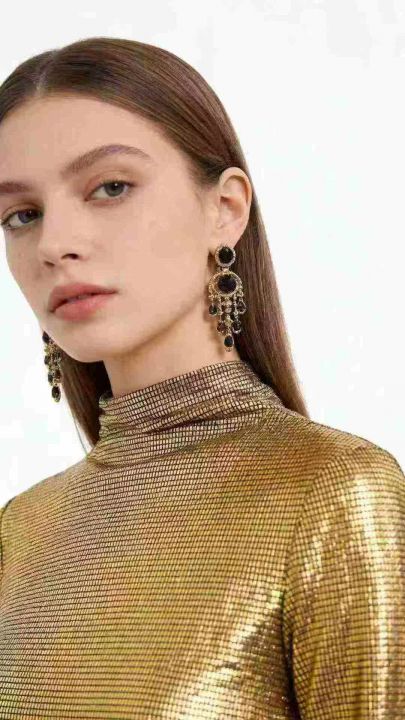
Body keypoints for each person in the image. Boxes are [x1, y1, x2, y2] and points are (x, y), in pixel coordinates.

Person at [0, 36, 403, 720]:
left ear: (225, 209)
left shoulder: (334, 494)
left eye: (111, 188)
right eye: (22, 215)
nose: (54, 244)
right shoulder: (22, 529)